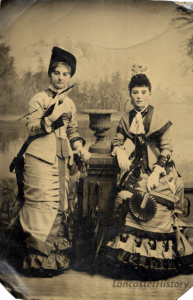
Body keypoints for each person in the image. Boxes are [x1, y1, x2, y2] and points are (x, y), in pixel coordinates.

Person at [103, 66, 193, 278]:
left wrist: (156, 172)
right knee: (129, 196)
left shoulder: (159, 117)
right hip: (135, 170)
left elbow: (167, 148)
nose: (139, 96)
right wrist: (120, 153)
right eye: (135, 92)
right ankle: (133, 259)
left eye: (143, 92)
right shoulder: (126, 118)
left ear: (150, 94)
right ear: (130, 95)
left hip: (160, 171)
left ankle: (156, 259)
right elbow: (116, 140)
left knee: (156, 198)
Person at [9, 47, 91, 276]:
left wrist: (79, 147)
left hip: (61, 160)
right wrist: (52, 117)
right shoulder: (38, 99)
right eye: (56, 72)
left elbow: (73, 131)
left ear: (70, 77)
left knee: (58, 204)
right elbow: (31, 128)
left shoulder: (71, 104)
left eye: (65, 74)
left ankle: (50, 259)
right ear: (50, 74)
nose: (61, 77)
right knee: (40, 205)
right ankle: (35, 260)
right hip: (39, 159)